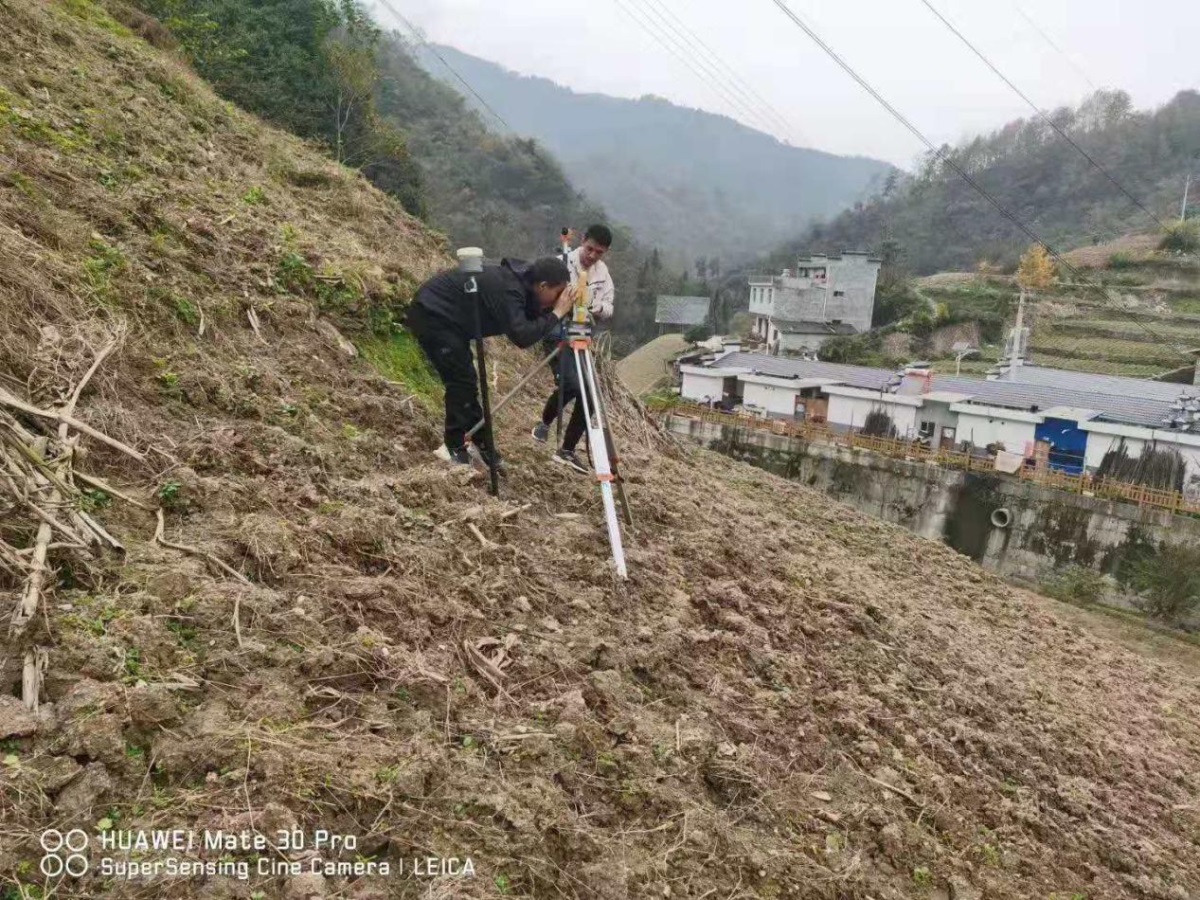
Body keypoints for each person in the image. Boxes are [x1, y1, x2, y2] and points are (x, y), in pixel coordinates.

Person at [407, 257, 573, 470]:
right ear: (542, 286)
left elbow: (530, 317)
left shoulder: (523, 285)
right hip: (433, 314)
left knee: (467, 381)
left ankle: (481, 442)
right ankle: (453, 446)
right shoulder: (510, 290)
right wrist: (558, 313)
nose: (559, 300)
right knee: (461, 381)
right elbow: (522, 335)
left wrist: (558, 310)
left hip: (448, 320)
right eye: (558, 294)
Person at [531, 224, 616, 474]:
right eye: (589, 249)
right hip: (557, 333)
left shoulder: (602, 273)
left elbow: (609, 306)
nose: (592, 256)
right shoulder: (562, 262)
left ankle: (567, 450)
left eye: (598, 252)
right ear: (583, 242)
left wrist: (596, 309)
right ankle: (544, 422)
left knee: (589, 395)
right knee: (570, 384)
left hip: (582, 334)